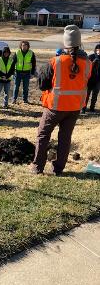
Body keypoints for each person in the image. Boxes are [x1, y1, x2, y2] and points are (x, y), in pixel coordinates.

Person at [32, 25, 94, 176]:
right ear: (79, 43)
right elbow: (90, 84)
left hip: (54, 107)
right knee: (65, 138)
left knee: (43, 135)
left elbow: (42, 84)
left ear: (65, 43)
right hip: (74, 108)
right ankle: (58, 169)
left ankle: (37, 167)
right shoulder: (88, 63)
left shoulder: (55, 61)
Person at [82, 43, 100, 113]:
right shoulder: (91, 57)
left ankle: (92, 108)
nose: (99, 51)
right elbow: (86, 68)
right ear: (95, 50)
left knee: (95, 95)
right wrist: (93, 63)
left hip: (98, 80)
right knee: (86, 95)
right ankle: (83, 108)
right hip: (89, 79)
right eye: (98, 49)